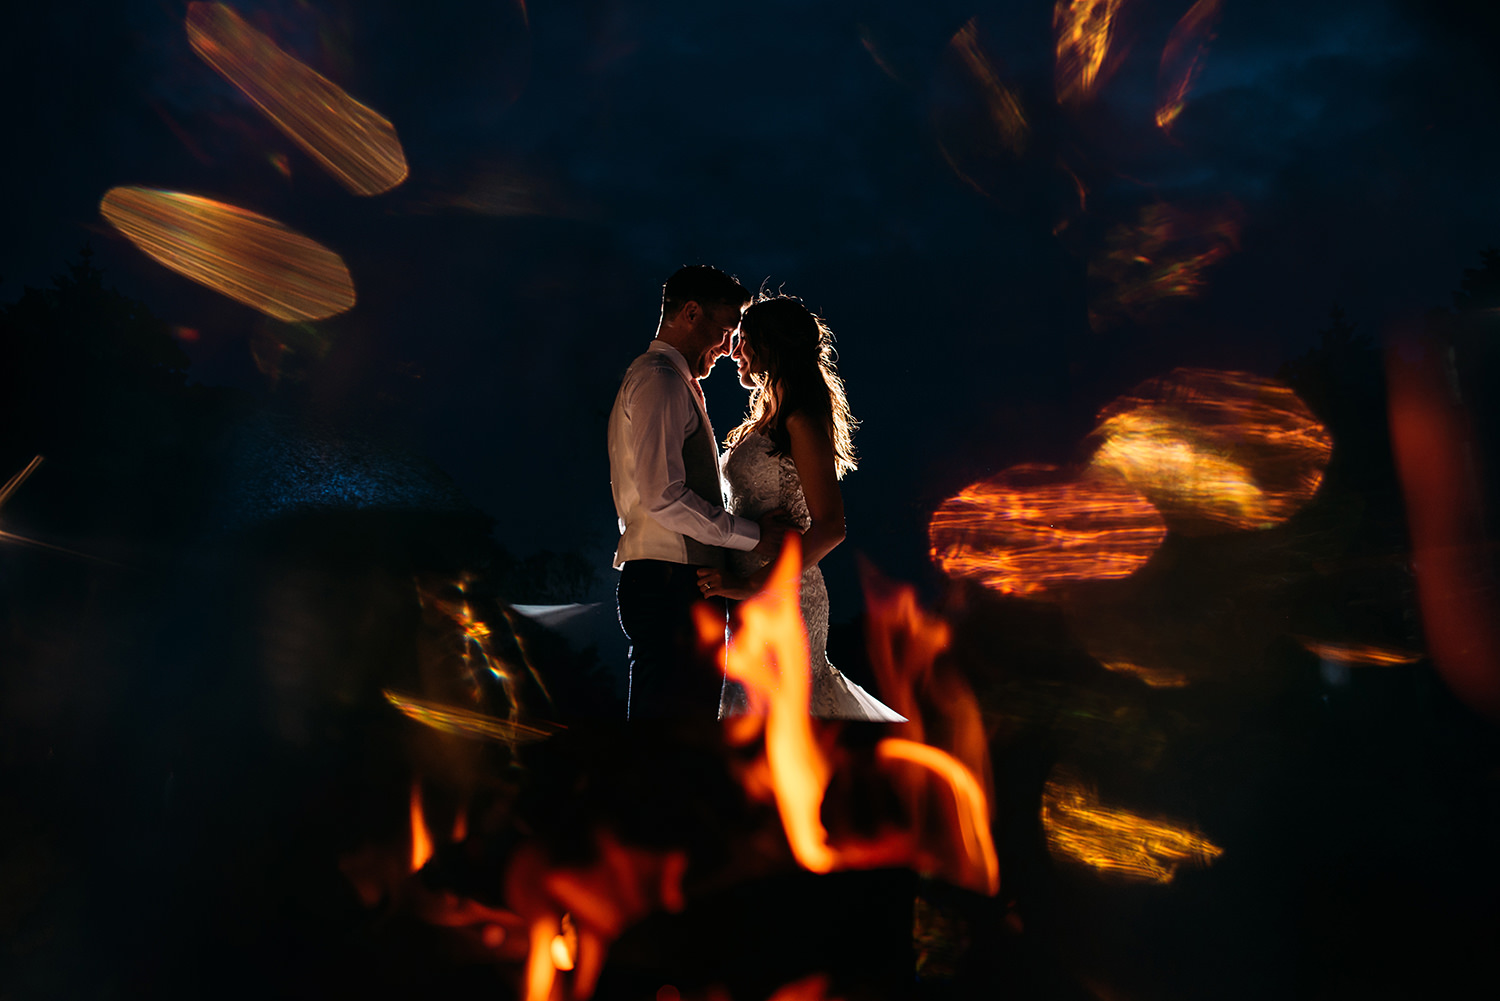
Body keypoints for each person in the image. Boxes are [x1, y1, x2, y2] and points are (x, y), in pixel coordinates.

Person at [697, 295, 905, 721]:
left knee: (783, 721)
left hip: (784, 596)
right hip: (747, 597)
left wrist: (755, 582)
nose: (734, 351)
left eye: (744, 341)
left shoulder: (800, 421)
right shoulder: (767, 420)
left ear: (770, 346)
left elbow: (830, 526)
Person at [608, 266, 788, 719]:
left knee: (679, 730)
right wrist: (753, 537)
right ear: (690, 313)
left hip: (672, 580)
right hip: (670, 581)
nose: (729, 350)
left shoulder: (668, 379)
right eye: (725, 332)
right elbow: (663, 496)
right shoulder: (660, 379)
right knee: (672, 737)